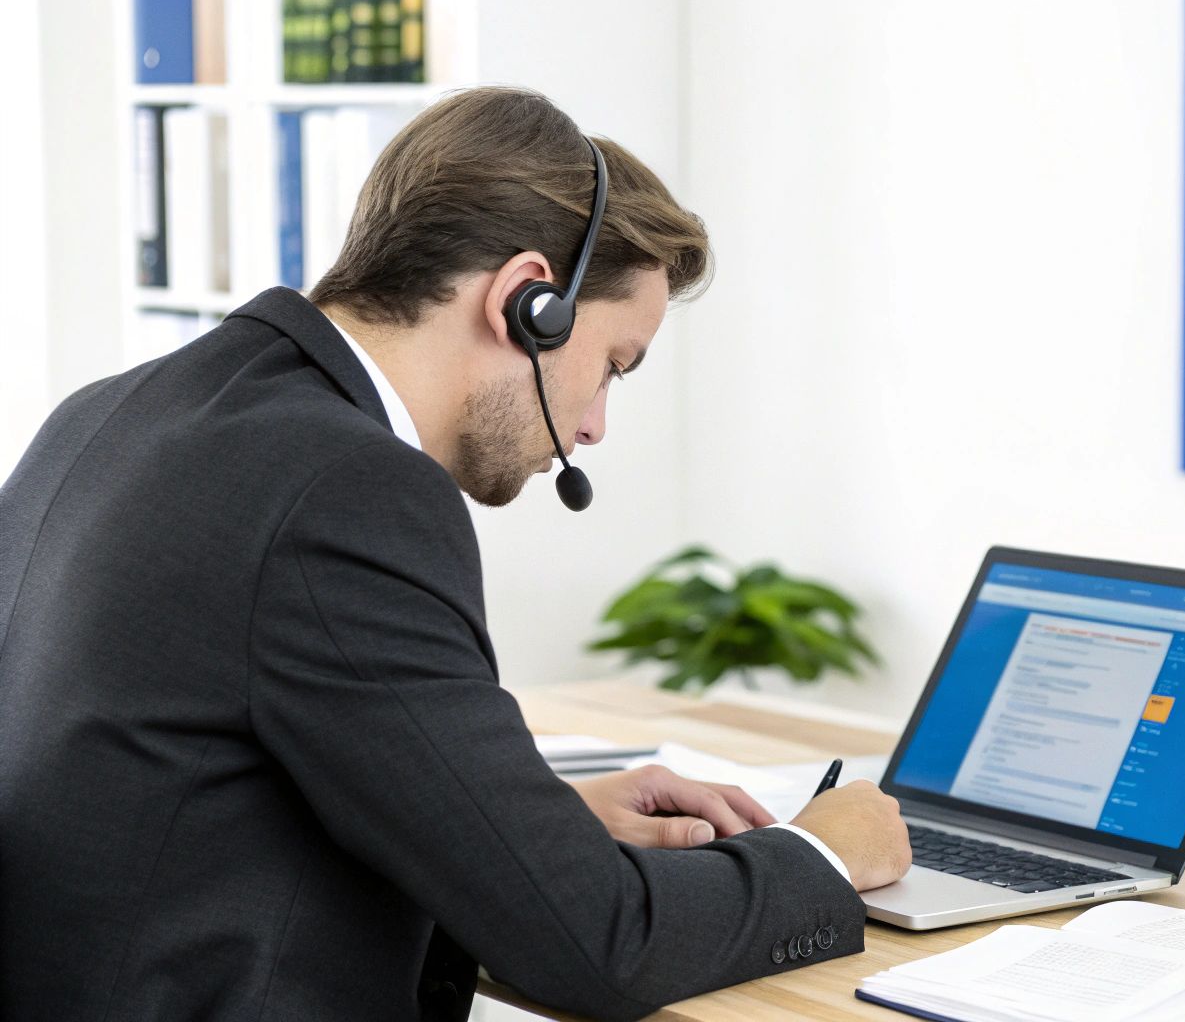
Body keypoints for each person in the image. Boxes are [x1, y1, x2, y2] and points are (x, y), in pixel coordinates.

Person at [0, 86, 911, 1022]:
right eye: (612, 366)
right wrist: (823, 855)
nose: (593, 427)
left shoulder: (106, 414)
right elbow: (596, 948)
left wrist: (525, 828)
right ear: (528, 303)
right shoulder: (348, 489)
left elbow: (200, 786)